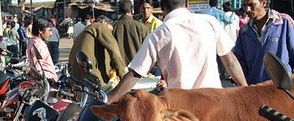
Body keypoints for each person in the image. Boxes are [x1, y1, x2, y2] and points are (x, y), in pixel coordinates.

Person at [106, 0, 247, 103]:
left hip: (182, 110)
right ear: (186, 3)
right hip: (215, 103)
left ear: (161, 7)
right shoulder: (210, 22)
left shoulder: (158, 34)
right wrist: (246, 89)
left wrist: (107, 100)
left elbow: (134, 74)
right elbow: (230, 61)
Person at [233, 0, 294, 85]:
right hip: (255, 89)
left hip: (282, 88)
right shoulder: (244, 31)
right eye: (244, 5)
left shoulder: (284, 22)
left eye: (251, 5)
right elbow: (239, 62)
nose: (247, 9)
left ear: (263, 3)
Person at [68, 15, 127, 85]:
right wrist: (123, 75)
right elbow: (114, 50)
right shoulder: (100, 26)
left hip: (76, 80)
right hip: (92, 81)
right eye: (110, 30)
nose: (110, 34)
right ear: (103, 22)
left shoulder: (84, 33)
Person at [113, 0, 149, 65]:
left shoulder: (113, 27)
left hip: (118, 70)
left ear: (119, 11)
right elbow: (148, 51)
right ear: (132, 11)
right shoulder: (142, 28)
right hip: (137, 69)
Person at [27, 17, 58, 82]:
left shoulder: (33, 41)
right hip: (46, 82)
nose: (51, 34)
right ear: (40, 31)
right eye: (49, 30)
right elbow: (38, 70)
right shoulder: (38, 45)